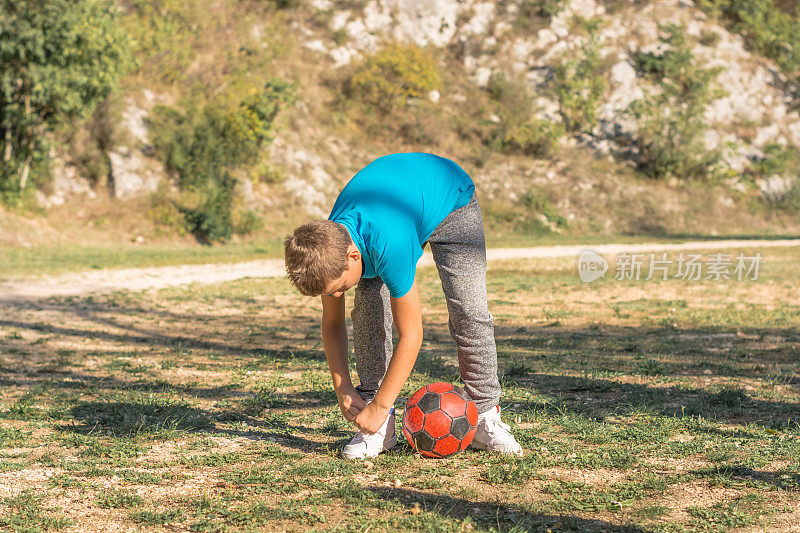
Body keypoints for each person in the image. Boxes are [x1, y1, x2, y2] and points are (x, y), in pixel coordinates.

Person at [284, 152, 522, 459]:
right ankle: (380, 428)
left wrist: (383, 405)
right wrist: (343, 388)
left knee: (468, 309)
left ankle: (486, 413)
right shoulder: (329, 247)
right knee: (368, 308)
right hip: (399, 206)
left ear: (352, 257)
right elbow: (332, 324)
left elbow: (412, 335)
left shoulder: (388, 244)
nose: (339, 294)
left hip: (450, 199)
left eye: (341, 287)